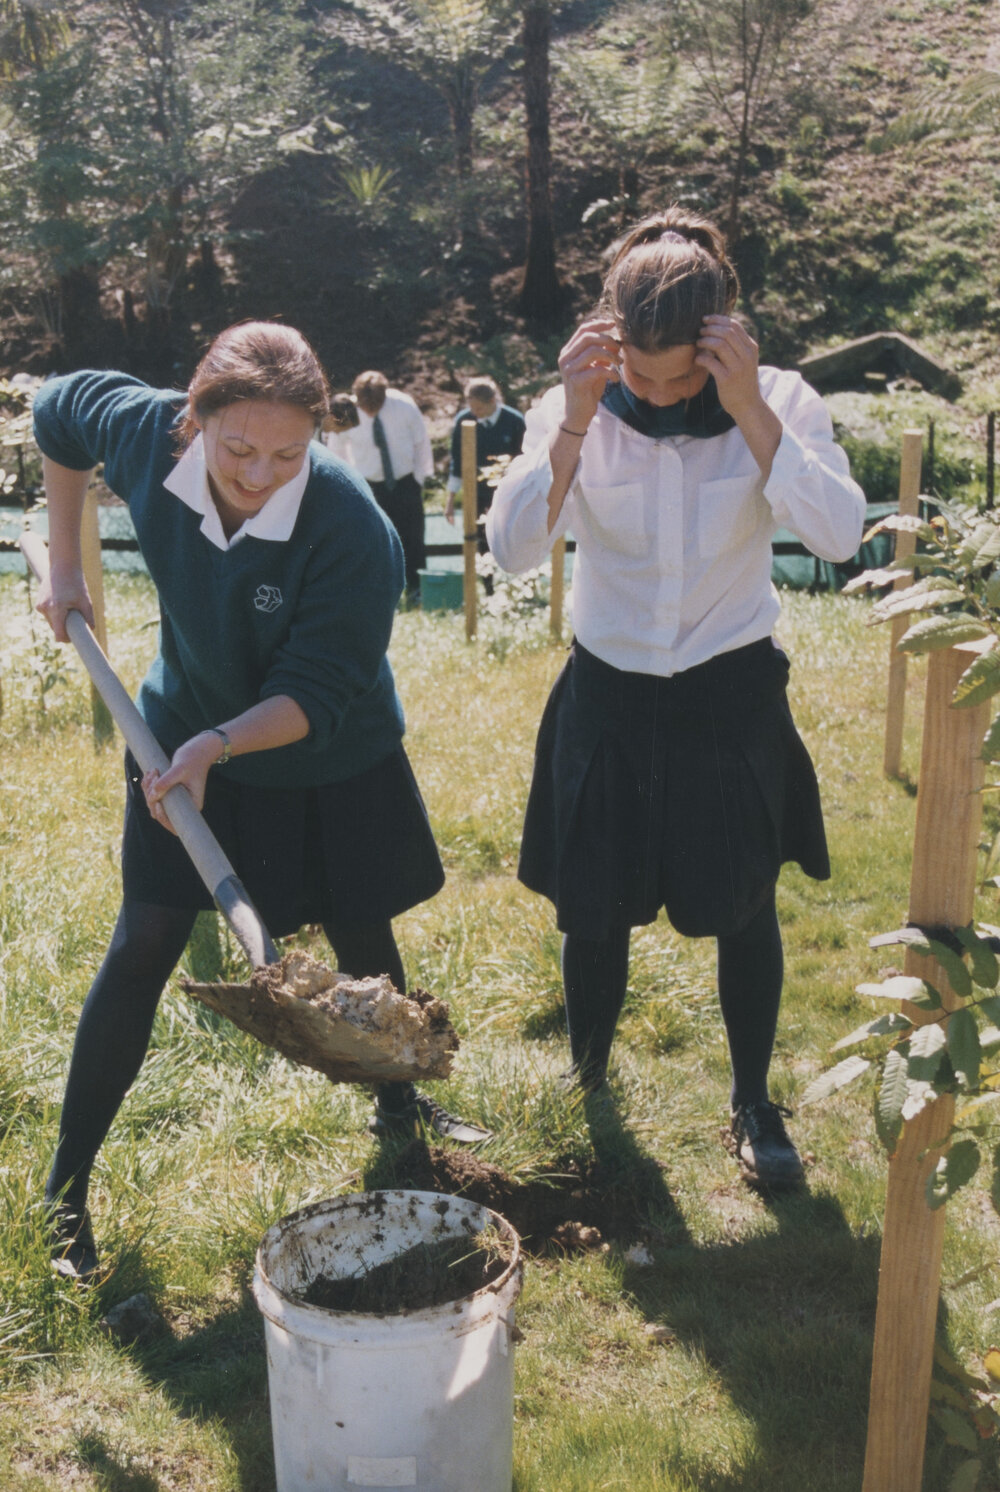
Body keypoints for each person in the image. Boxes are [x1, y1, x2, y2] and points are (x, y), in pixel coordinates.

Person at [34, 322, 489, 1281]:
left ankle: (403, 1110)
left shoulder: (351, 528)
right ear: (191, 420)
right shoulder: (142, 430)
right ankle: (62, 1196)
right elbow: (55, 414)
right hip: (178, 734)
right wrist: (64, 559)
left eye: (288, 453)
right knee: (146, 938)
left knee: (360, 929)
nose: (259, 472)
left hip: (326, 751)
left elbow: (318, 692)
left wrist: (221, 745)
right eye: (237, 447)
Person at [486, 209, 866, 1191]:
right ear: (609, 340)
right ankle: (589, 1088)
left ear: (721, 340)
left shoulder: (775, 399)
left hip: (727, 692)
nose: (654, 396)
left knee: (744, 906)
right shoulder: (574, 399)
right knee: (592, 909)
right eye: (637, 375)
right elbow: (514, 549)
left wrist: (747, 410)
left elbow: (836, 535)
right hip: (607, 690)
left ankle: (751, 1101)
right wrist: (574, 419)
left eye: (677, 378)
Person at [324, 370, 433, 603]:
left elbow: (421, 442)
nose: (371, 411)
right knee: (373, 541)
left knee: (412, 538)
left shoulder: (404, 406)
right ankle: (380, 596)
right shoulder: (346, 410)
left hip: (405, 482)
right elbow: (337, 450)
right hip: (368, 485)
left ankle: (417, 591)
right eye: (366, 407)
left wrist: (420, 479)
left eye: (376, 406)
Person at [444, 378, 526, 591]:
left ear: (492, 401)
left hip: (509, 492)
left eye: (479, 408)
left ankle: (519, 587)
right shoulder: (464, 421)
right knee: (482, 540)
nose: (475, 413)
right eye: (471, 407)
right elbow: (457, 461)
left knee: (513, 538)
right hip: (477, 493)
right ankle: (489, 588)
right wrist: (451, 499)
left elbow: (526, 460)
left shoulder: (514, 421)